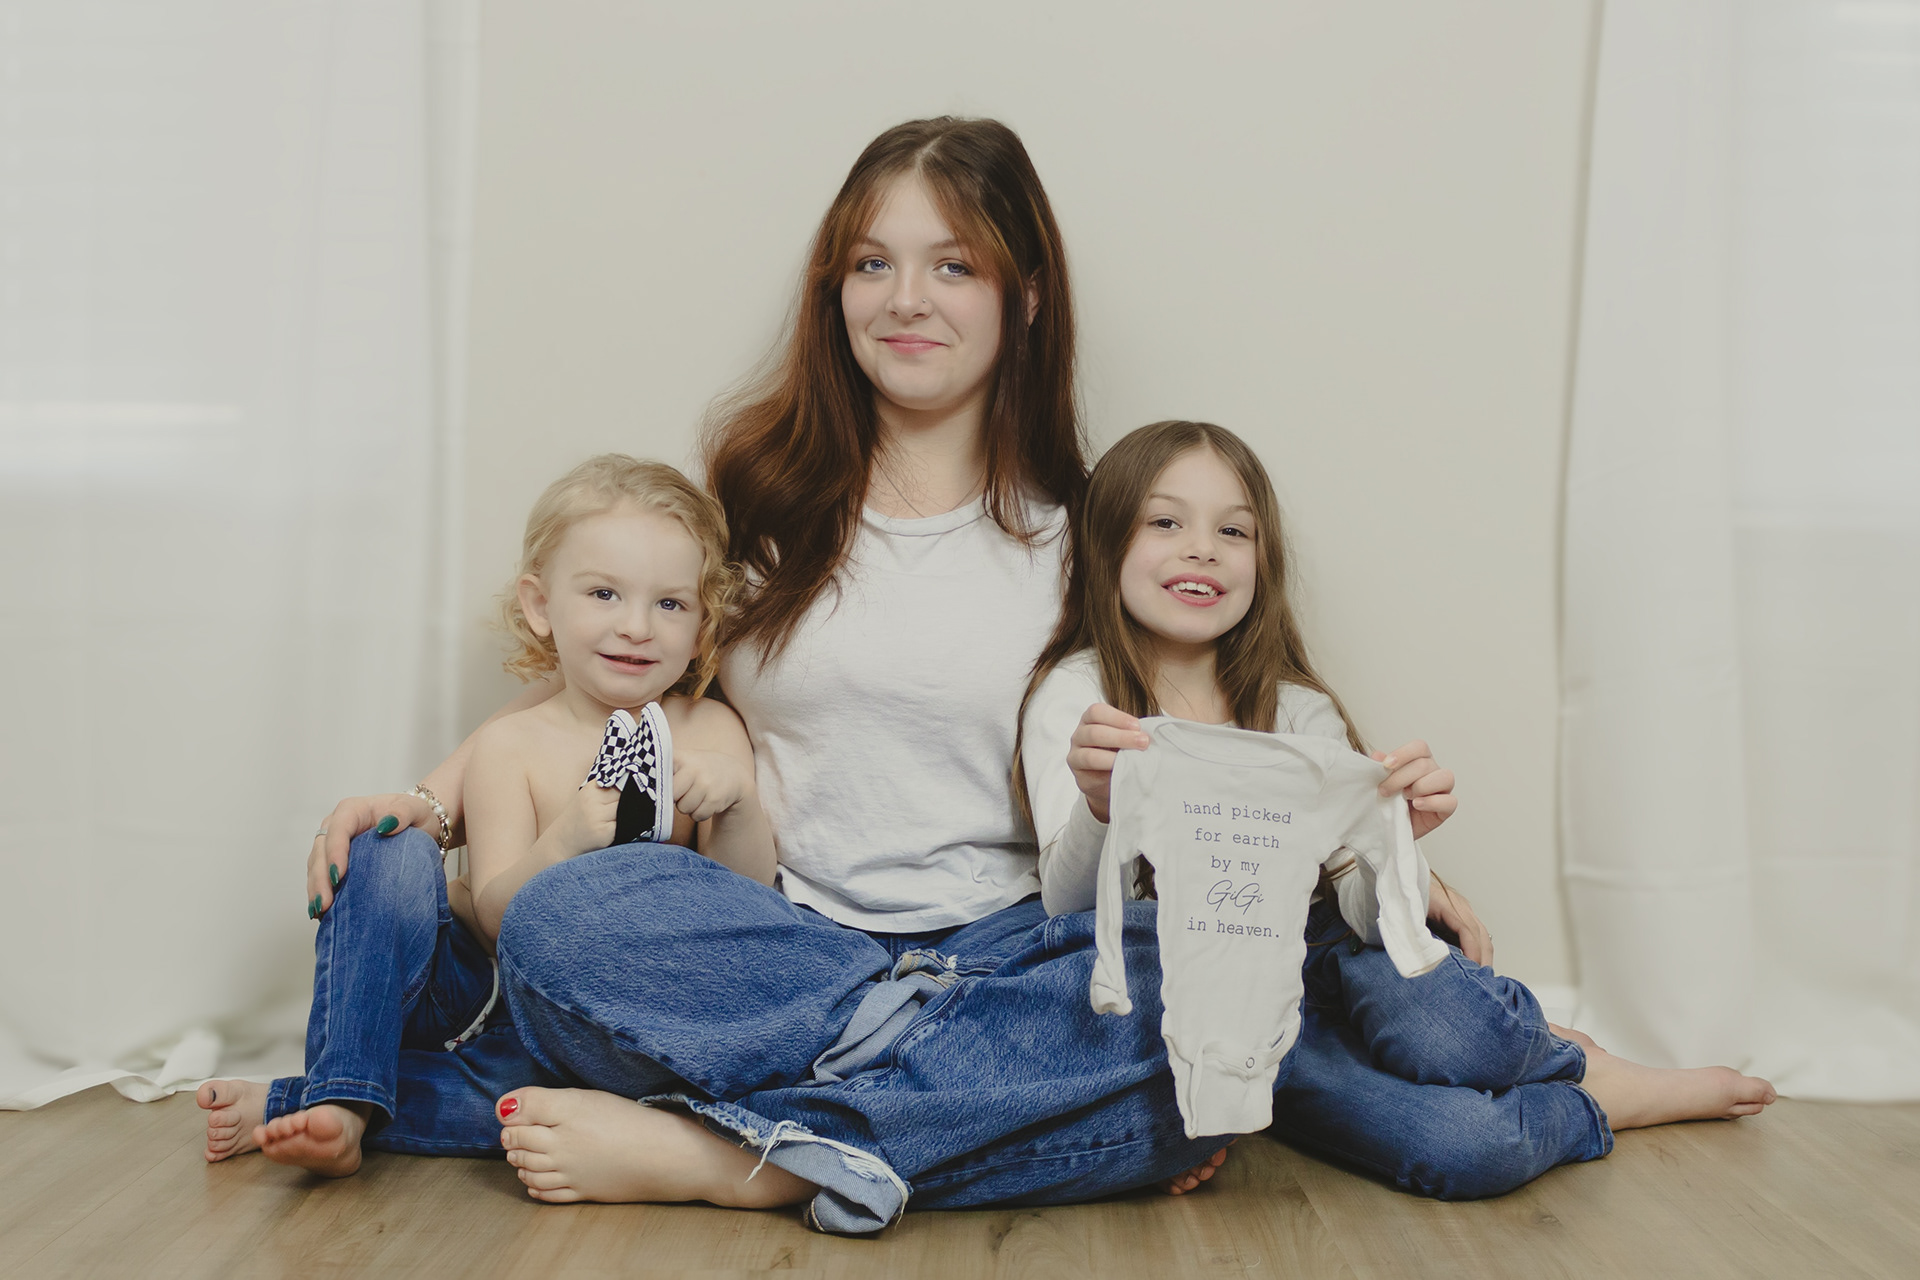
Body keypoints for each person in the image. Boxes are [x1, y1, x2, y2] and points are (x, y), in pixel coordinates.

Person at [1017, 418, 1778, 1198]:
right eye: (1166, 522)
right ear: (1106, 544)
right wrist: (1101, 808)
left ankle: (1561, 1054)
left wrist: (1396, 846)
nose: (1202, 549)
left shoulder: (1296, 710)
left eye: (1233, 531)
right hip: (1230, 1006)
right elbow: (1066, 909)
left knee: (1452, 1027)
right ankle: (1592, 1093)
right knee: (1465, 1148)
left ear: (1262, 562)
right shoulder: (1079, 701)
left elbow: (1366, 908)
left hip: (1336, 951)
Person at [199, 455, 774, 1176]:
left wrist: (737, 801)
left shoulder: (709, 730)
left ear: (703, 621)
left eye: (670, 604)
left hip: (593, 1028)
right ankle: (342, 1085)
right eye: (603, 593)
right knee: (386, 847)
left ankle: (312, 1103)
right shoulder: (512, 744)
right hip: (484, 991)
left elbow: (752, 907)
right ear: (540, 605)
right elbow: (499, 913)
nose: (636, 626)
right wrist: (563, 841)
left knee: (546, 1101)